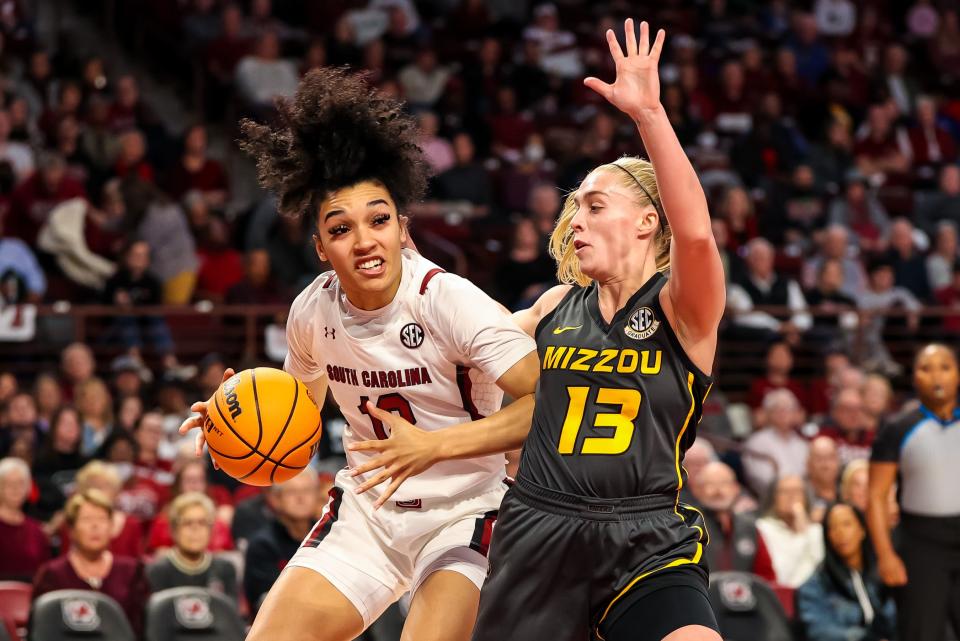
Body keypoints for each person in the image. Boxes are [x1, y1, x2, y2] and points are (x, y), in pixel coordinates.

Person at [350, 20, 726, 641]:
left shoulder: (681, 308)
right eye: (575, 205)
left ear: (645, 222)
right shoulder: (555, 307)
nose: (575, 218)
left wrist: (651, 115)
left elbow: (696, 235)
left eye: (595, 205)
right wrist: (403, 268)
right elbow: (463, 340)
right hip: (537, 527)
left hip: (646, 532)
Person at [180, 67, 539, 641]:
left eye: (378, 220)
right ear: (321, 247)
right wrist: (236, 418)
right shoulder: (310, 312)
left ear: (401, 226)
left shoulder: (446, 299)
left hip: (466, 512)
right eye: (341, 228)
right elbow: (293, 431)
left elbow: (551, 404)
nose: (365, 239)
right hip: (368, 515)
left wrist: (434, 446)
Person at [868, 343, 960, 641]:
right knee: (921, 631)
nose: (936, 377)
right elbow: (876, 496)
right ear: (914, 378)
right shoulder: (897, 429)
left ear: (957, 374)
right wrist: (885, 555)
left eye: (945, 368)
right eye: (926, 368)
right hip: (920, 543)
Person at [33, 489, 151, 635]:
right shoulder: (51, 574)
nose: (95, 526)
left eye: (102, 519)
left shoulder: (132, 571)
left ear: (111, 527)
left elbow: (142, 630)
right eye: (87, 519)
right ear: (71, 529)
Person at [796, 502, 897, 641]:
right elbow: (819, 632)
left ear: (862, 529)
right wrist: (867, 638)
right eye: (833, 527)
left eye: (846, 524)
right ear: (827, 536)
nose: (840, 532)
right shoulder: (815, 585)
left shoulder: (882, 572)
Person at [243, 470, 318, 609]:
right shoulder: (262, 545)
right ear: (276, 499)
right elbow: (265, 600)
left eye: (307, 491)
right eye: (292, 492)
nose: (300, 498)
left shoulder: (330, 536)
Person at [146, 492, 238, 604]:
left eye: (202, 522)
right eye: (187, 523)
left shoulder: (225, 569)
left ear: (211, 529)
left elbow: (231, 615)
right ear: (174, 529)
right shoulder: (158, 571)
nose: (195, 529)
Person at [689, 462, 775, 582]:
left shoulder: (749, 527)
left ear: (736, 488)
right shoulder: (686, 526)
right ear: (696, 490)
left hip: (744, 598)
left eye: (724, 483)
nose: (718, 491)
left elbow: (767, 576)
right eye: (710, 484)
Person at [756, 475, 825, 588]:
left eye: (797, 491)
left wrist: (805, 528)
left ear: (806, 497)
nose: (791, 496)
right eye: (784, 491)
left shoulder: (816, 531)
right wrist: (801, 536)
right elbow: (781, 575)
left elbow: (819, 566)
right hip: (778, 595)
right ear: (774, 497)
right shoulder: (762, 529)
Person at [742, 389, 810, 498]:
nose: (783, 413)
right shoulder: (756, 443)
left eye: (788, 409)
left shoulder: (803, 444)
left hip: (803, 497)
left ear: (795, 413)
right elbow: (762, 481)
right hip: (770, 501)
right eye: (777, 409)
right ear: (767, 413)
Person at [0, 457, 50, 580]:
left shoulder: (36, 530)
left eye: (20, 483)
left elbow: (45, 572)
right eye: (9, 483)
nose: (15, 489)